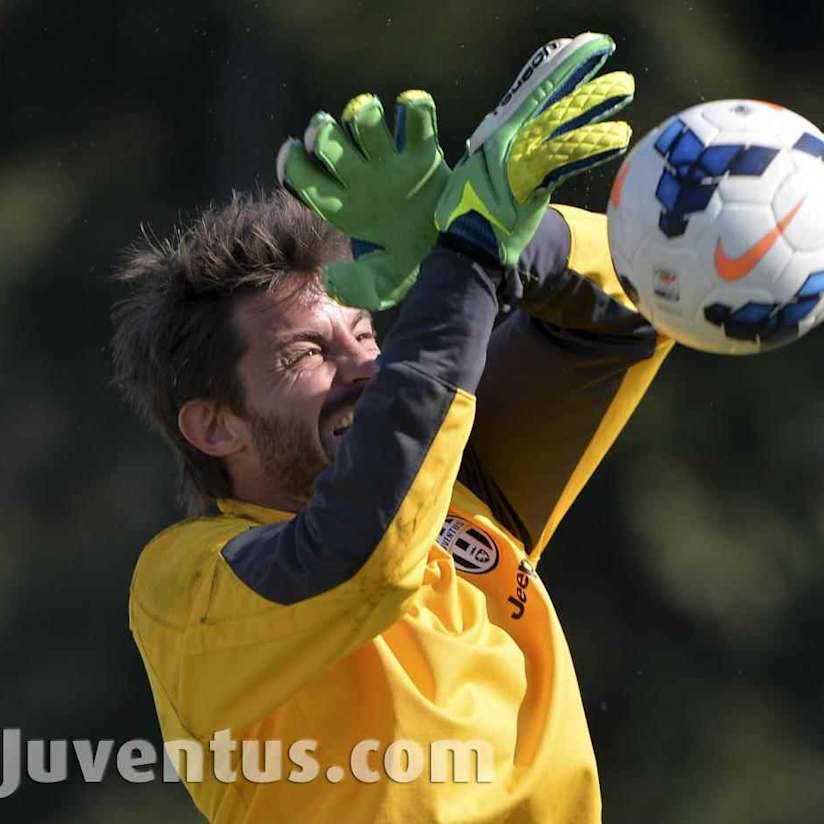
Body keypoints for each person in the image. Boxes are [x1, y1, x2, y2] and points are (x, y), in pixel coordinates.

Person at [113, 34, 672, 822]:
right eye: (308, 352)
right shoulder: (184, 588)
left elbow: (638, 311)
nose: (366, 367)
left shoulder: (449, 484)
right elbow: (364, 553)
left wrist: (502, 245)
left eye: (368, 333)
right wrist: (467, 255)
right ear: (213, 426)